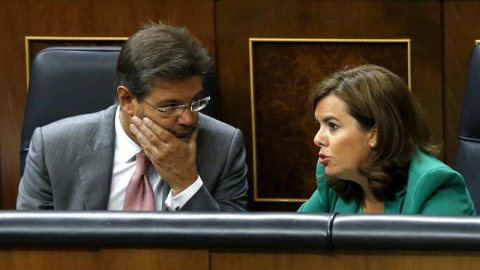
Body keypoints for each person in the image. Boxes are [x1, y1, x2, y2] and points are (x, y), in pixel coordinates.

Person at [17, 22, 248, 211]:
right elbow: (31, 246)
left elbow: (231, 250)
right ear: (127, 100)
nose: (188, 119)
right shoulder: (53, 147)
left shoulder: (224, 146)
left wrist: (186, 183)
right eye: (170, 106)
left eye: (195, 101)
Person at [298, 64, 475, 215]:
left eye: (333, 126)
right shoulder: (334, 180)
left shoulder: (434, 185)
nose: (317, 139)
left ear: (375, 133)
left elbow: (431, 257)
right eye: (318, 125)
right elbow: (293, 243)